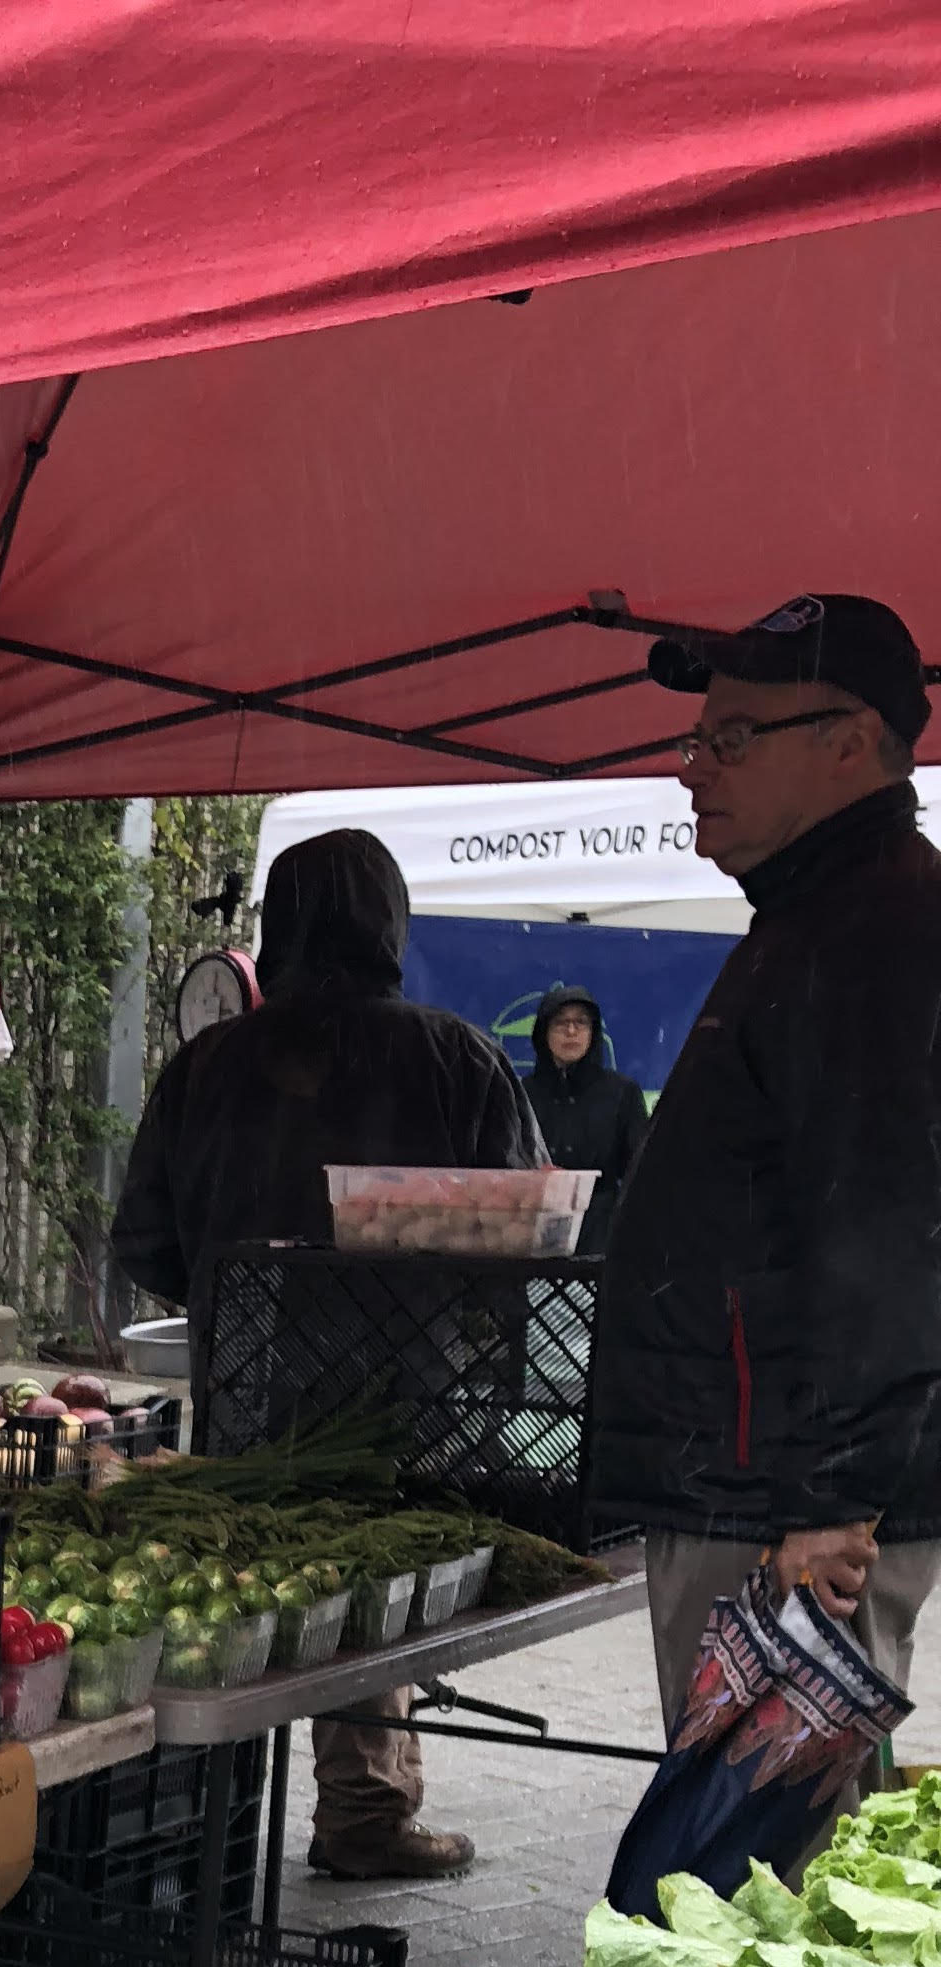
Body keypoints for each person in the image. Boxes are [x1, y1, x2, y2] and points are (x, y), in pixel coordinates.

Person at [111, 824, 542, 1882]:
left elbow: (147, 1244)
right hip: (416, 1399)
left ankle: (197, 1833)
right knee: (367, 1596)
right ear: (388, 924)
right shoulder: (456, 1056)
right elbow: (529, 1231)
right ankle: (362, 1810)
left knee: (235, 1591)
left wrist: (245, 1297)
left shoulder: (207, 1065)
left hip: (251, 1392)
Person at [586, 593, 941, 1754]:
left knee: (765, 1873)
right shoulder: (822, 916)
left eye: (733, 739)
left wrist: (833, 1502)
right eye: (696, 740)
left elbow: (891, 1235)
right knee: (774, 1852)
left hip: (782, 1508)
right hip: (761, 1490)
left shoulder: (878, 931)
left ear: (850, 743)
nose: (695, 769)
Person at [520, 985, 652, 1254]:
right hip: (534, 1229)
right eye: (561, 1023)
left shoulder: (621, 1092)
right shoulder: (523, 1091)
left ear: (593, 1033)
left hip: (602, 1234)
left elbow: (639, 1172)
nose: (571, 1031)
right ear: (542, 1033)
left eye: (581, 1022)